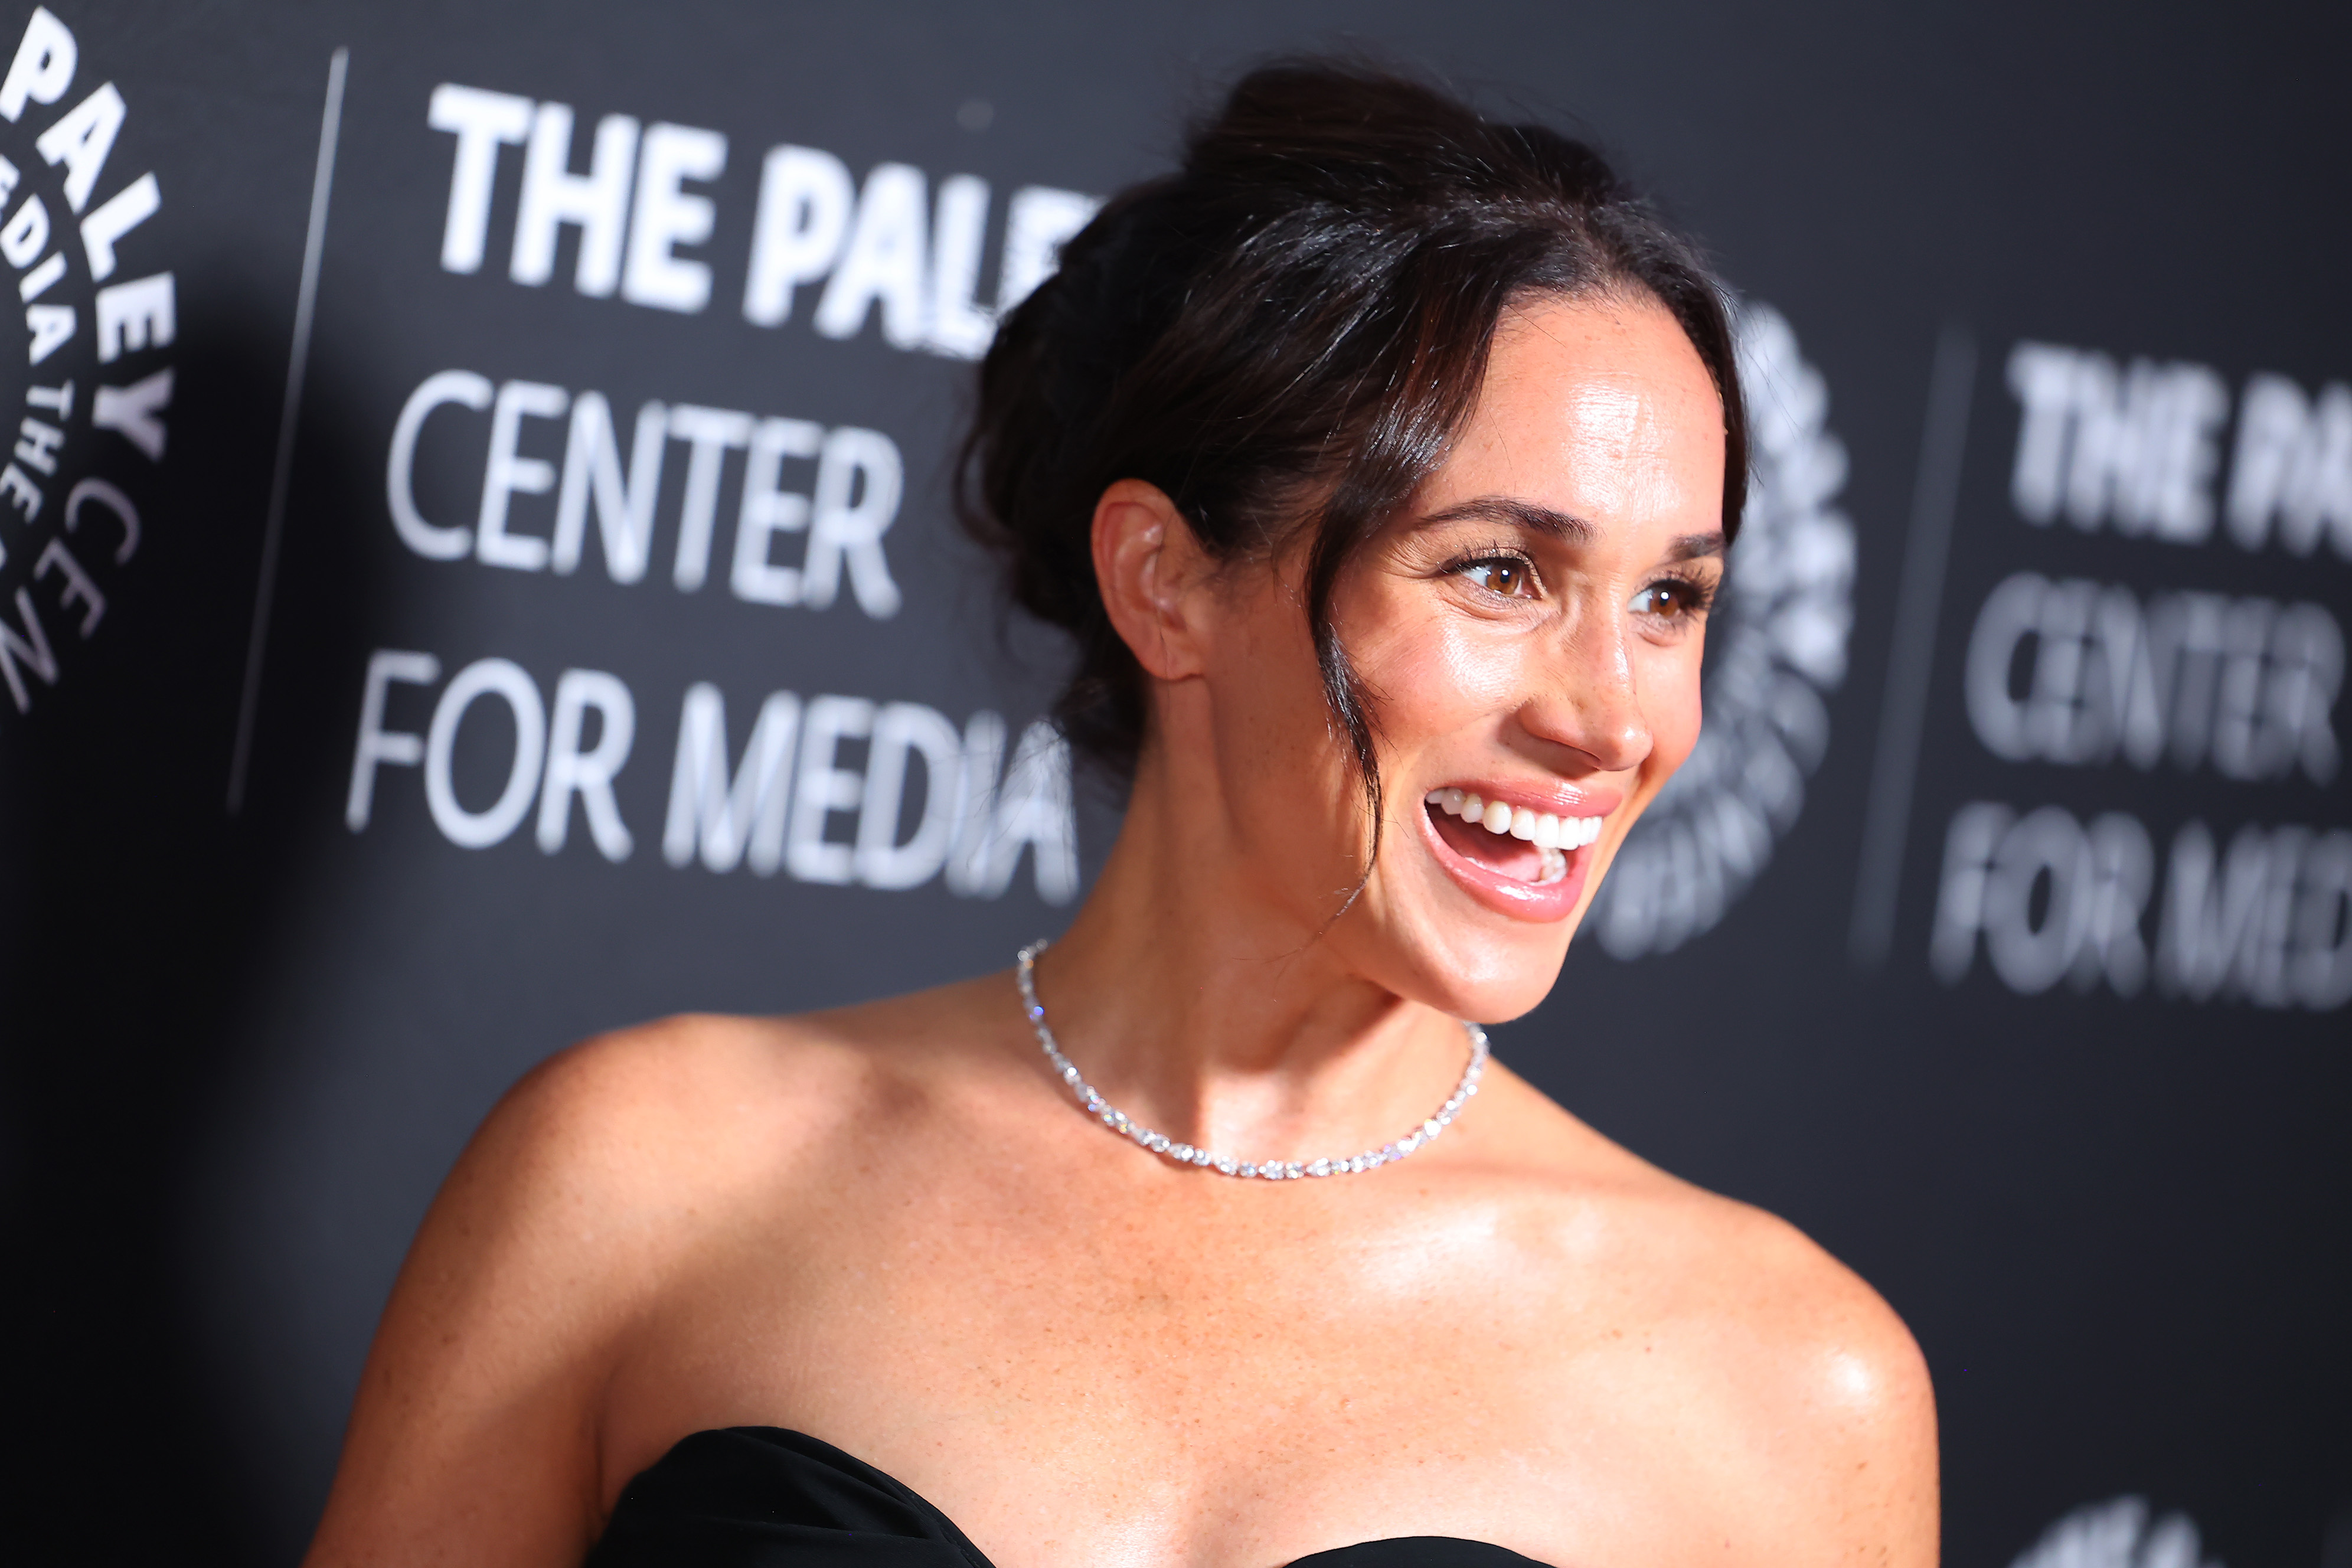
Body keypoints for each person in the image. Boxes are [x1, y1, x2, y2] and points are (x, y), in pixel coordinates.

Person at [303, 59, 1937, 1568]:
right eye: (1501, 573)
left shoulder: (1795, 1390)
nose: (1617, 717)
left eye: (1670, 599)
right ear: (1167, 583)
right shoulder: (641, 1178)